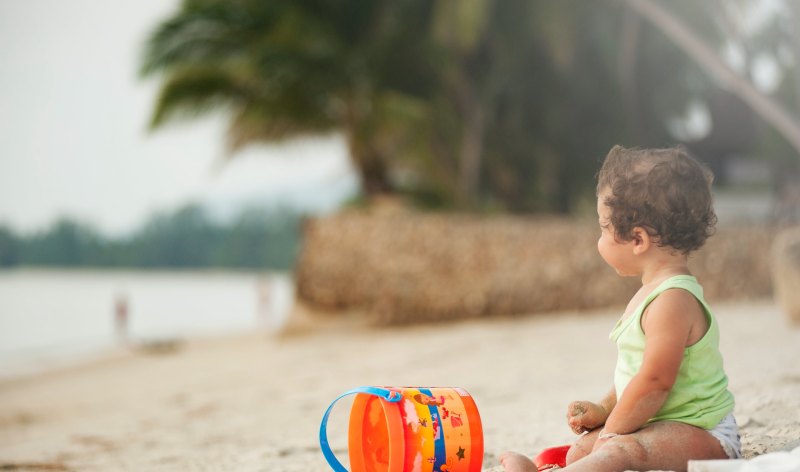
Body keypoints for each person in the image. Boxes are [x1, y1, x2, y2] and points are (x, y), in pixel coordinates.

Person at [501, 145, 741, 471]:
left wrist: (612, 431)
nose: (599, 238)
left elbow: (655, 381)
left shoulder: (672, 302)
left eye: (603, 227)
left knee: (619, 451)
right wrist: (603, 410)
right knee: (580, 452)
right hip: (666, 421)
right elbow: (636, 373)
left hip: (706, 435)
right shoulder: (652, 293)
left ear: (637, 240)